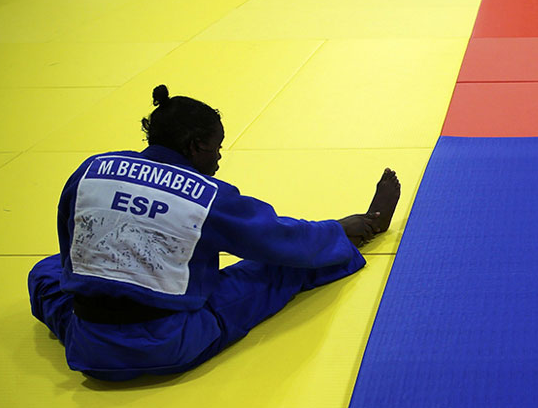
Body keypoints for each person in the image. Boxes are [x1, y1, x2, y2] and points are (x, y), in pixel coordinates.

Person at [28, 85, 400, 382]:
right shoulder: (206, 196)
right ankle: (360, 233)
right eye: (216, 148)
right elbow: (279, 239)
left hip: (88, 342)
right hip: (170, 342)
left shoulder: (91, 169)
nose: (219, 159)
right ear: (194, 146)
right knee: (277, 268)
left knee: (46, 271)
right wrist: (342, 227)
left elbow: (71, 250)